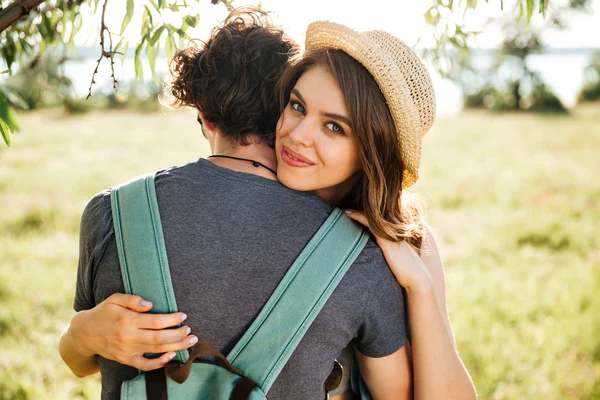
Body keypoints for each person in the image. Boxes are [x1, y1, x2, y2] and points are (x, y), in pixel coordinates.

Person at [59, 8, 413, 400]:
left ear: (204, 116)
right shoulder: (360, 254)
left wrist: (78, 334)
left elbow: (81, 362)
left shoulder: (112, 213)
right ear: (283, 107)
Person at [272, 21, 477, 400]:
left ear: (372, 153)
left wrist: (419, 285)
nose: (298, 134)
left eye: (334, 127)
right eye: (298, 106)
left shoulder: (410, 240)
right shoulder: (255, 194)